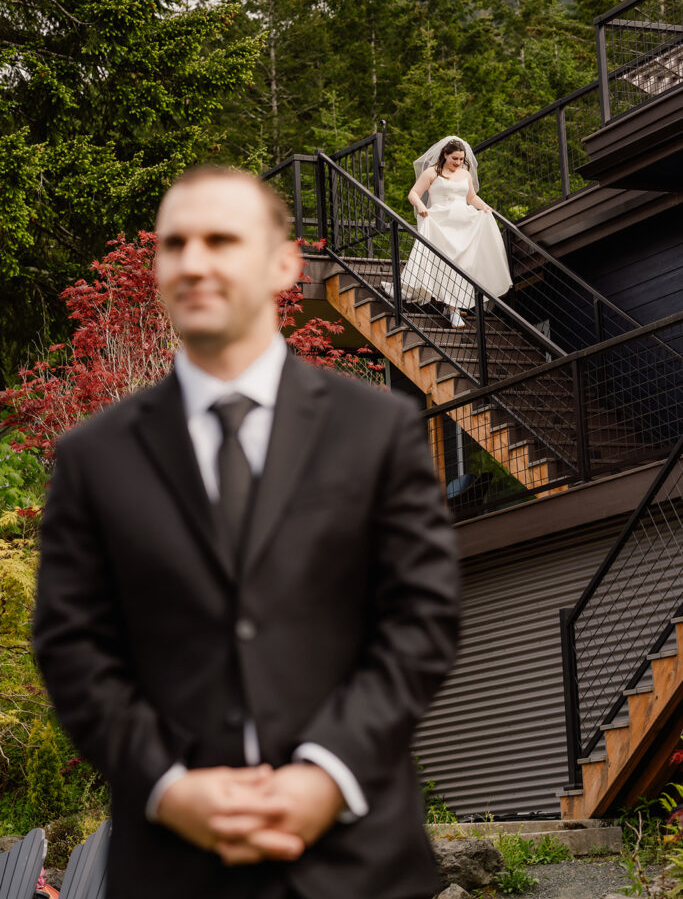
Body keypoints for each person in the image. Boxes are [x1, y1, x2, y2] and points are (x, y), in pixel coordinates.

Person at [34, 166, 460, 899]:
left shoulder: (377, 430)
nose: (193, 263)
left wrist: (326, 773)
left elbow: (420, 621)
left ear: (283, 264)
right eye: (174, 244)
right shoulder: (92, 457)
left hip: (363, 866)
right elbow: (72, 646)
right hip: (171, 868)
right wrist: (167, 786)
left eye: (221, 240)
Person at [383, 137, 512, 328]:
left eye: (461, 159)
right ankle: (453, 311)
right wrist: (420, 206)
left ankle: (455, 306)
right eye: (454, 159)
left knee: (463, 265)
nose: (458, 163)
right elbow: (413, 193)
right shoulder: (432, 172)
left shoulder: (465, 175)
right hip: (440, 225)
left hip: (463, 226)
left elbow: (471, 197)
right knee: (448, 265)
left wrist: (485, 207)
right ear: (445, 154)